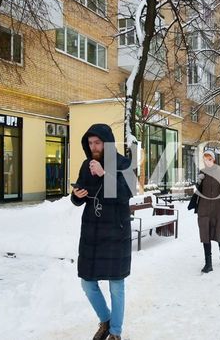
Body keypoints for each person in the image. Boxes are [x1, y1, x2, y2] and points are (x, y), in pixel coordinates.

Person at [71, 124, 133, 340]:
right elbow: (79, 197)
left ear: (107, 142)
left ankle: (115, 332)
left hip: (116, 233)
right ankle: (105, 320)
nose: (93, 147)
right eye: (90, 143)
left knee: (116, 285)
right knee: (87, 283)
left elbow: (126, 194)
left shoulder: (124, 164)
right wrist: (77, 195)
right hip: (92, 234)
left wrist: (105, 173)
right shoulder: (86, 164)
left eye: (97, 142)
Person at [195, 150, 220, 273]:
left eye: (209, 158)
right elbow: (199, 191)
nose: (207, 160)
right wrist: (198, 182)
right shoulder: (202, 172)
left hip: (217, 209)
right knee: (205, 235)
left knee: (218, 233)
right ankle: (208, 264)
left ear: (214, 159)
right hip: (204, 209)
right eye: (205, 158)